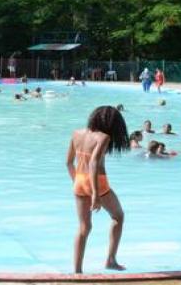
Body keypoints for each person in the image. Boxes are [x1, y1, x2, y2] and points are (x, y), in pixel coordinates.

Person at [65, 106, 129, 273]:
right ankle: (110, 260)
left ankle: (77, 272)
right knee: (118, 216)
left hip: (79, 181)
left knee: (84, 227)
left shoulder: (76, 133)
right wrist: (95, 194)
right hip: (98, 184)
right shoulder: (103, 137)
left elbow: (68, 162)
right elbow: (94, 163)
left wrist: (76, 182)